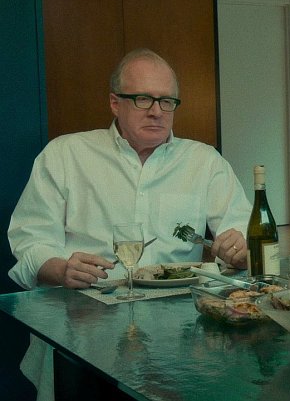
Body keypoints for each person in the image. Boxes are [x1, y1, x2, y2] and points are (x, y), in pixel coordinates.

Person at [7, 48, 253, 401]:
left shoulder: (204, 161)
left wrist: (240, 246)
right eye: (142, 99)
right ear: (114, 103)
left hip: (178, 336)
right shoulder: (65, 155)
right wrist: (61, 269)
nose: (156, 111)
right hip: (83, 329)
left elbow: (243, 232)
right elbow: (30, 241)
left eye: (166, 101)